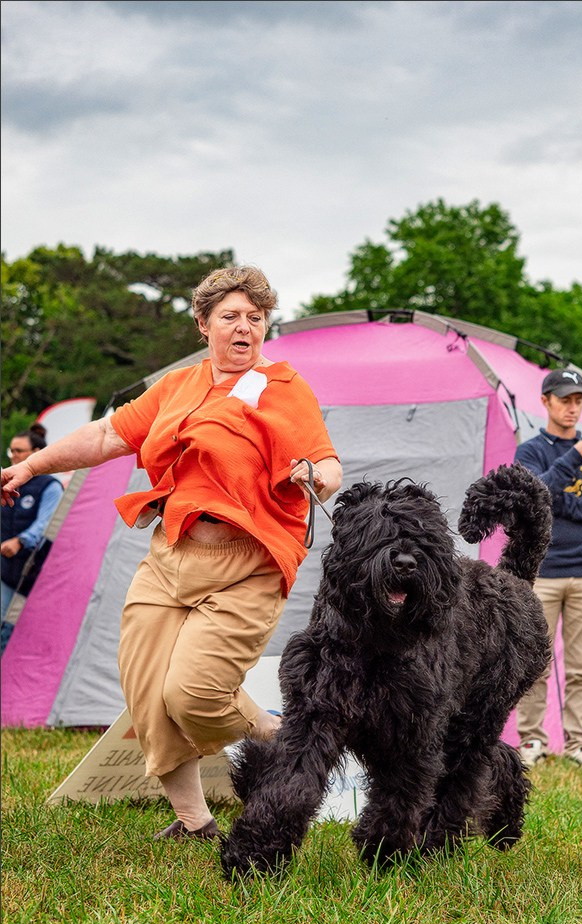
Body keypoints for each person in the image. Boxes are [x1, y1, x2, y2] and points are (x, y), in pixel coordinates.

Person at [2, 265, 342, 839]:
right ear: (203, 324)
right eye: (230, 317)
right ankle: (193, 821)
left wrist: (316, 475)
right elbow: (109, 436)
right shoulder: (178, 386)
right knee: (146, 692)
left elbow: (327, 463)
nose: (244, 328)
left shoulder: (285, 387)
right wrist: (31, 464)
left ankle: (278, 734)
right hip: (169, 555)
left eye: (255, 319)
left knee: (194, 694)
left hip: (247, 565)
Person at [514, 369, 582, 769]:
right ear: (545, 402)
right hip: (543, 572)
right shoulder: (531, 451)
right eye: (565, 400)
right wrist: (573, 460)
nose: (573, 408)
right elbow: (531, 496)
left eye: (578, 400)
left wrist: (566, 506)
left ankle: (580, 743)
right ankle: (532, 741)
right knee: (534, 663)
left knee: (581, 667)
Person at [1, 423, 63, 620]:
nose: (13, 456)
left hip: (34, 570)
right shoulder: (8, 483)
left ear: (36, 452)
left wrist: (21, 541)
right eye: (12, 451)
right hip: (5, 567)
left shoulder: (50, 486)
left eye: (19, 451)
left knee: (18, 624)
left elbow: (47, 523)